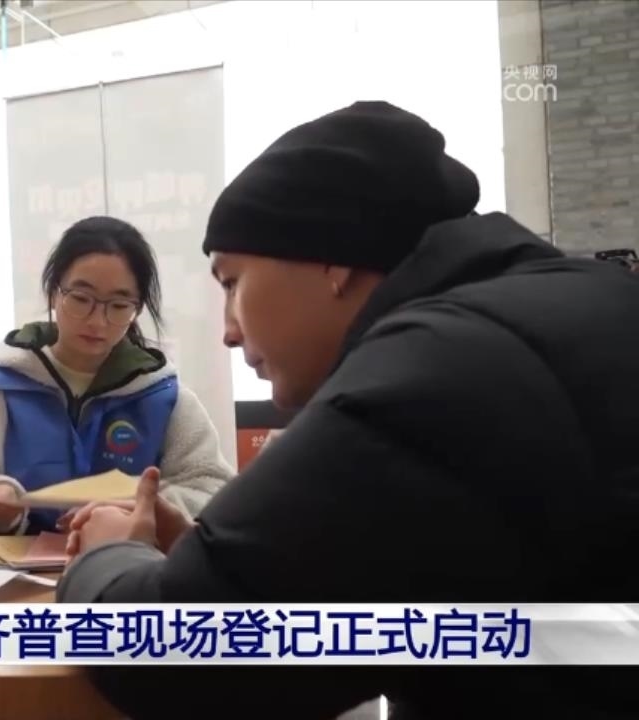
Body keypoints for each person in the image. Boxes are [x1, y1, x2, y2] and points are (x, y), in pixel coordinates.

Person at [57, 101, 639, 719]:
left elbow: (174, 659)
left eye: (232, 282)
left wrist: (105, 555)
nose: (227, 330)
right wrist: (212, 563)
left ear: (331, 259)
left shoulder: (433, 375)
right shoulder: (565, 309)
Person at [0, 216, 235, 547]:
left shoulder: (168, 402)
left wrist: (142, 510)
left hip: (130, 575)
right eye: (81, 298)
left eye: (118, 305)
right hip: (14, 579)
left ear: (138, 308)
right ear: (52, 292)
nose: (97, 321)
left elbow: (214, 493)